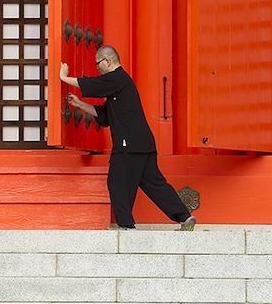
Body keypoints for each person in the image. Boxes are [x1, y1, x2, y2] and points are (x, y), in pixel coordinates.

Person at [60, 45, 197, 231]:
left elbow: (95, 85)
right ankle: (185, 217)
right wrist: (80, 104)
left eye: (98, 64)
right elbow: (106, 116)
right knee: (155, 184)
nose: (97, 68)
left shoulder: (118, 77)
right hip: (143, 143)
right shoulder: (120, 84)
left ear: (108, 61)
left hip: (130, 143)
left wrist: (64, 78)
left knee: (116, 182)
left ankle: (126, 226)